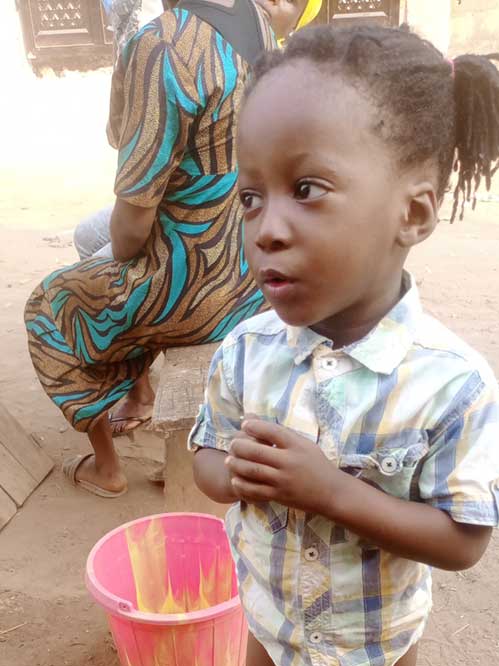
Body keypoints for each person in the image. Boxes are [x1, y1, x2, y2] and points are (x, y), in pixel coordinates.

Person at [189, 25, 499, 666]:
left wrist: (331, 493)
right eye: (251, 198)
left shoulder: (452, 383)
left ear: (412, 212)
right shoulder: (248, 350)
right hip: (276, 614)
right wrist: (228, 475)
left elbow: (464, 539)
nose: (267, 225)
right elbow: (208, 456)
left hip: (377, 626)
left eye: (307, 188)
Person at [75, 0, 322, 436]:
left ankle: (108, 460)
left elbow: (133, 223)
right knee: (87, 235)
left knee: (66, 302)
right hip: (245, 246)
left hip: (203, 280)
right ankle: (139, 389)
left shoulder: (161, 43)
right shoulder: (258, 24)